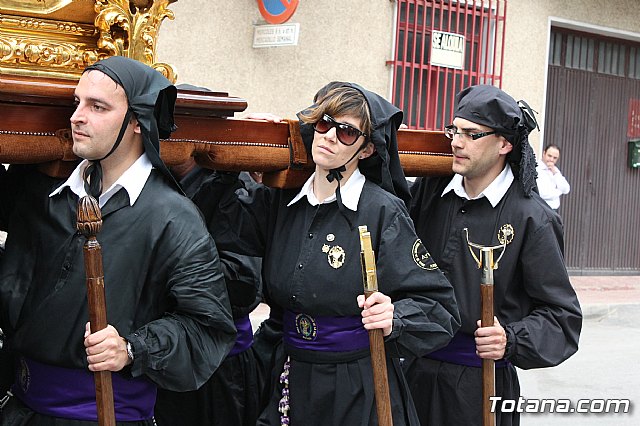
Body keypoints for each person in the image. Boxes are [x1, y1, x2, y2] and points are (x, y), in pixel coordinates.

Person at [201, 83, 460, 425]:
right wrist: (237, 152)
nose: (330, 136)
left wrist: (395, 316)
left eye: (348, 131)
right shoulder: (282, 202)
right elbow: (215, 221)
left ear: (367, 149)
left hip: (356, 386)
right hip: (288, 375)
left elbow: (440, 308)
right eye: (323, 123)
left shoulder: (382, 211)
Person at [0, 56, 236, 425]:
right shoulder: (46, 194)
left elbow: (208, 329)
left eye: (98, 107)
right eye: (76, 103)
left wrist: (131, 347)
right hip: (20, 411)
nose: (77, 116)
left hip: (104, 416)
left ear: (138, 122)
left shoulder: (172, 217)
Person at [404, 85, 582, 426]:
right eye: (454, 130)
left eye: (471, 134)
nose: (456, 142)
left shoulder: (532, 218)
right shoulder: (429, 193)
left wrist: (510, 338)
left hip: (480, 387)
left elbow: (562, 318)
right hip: (413, 374)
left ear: (504, 144)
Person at [155, 155, 264, 426]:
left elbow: (243, 286)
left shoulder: (236, 187)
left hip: (220, 370)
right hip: (161, 358)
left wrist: (164, 270)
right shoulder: (153, 181)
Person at [536, 144, 570, 211]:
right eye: (549, 156)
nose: (551, 159)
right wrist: (559, 191)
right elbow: (542, 194)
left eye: (555, 158)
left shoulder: (555, 170)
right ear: (544, 153)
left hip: (554, 210)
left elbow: (566, 189)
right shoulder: (536, 169)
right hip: (541, 210)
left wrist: (555, 173)